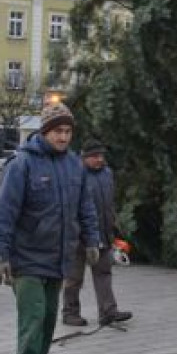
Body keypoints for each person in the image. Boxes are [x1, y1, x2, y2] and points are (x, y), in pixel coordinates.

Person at [0, 102, 99, 354]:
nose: (63, 137)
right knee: (32, 321)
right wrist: (3, 255)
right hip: (26, 260)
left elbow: (86, 206)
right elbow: (5, 213)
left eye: (68, 131)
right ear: (44, 132)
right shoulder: (22, 165)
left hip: (58, 260)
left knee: (46, 324)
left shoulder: (74, 165)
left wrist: (92, 239)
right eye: (58, 131)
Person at [62, 139, 132, 328]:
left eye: (101, 155)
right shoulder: (74, 175)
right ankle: (70, 313)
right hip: (78, 237)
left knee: (104, 273)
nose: (99, 159)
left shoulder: (107, 173)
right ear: (84, 157)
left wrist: (114, 225)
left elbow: (109, 203)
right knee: (74, 277)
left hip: (103, 234)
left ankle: (108, 312)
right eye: (95, 156)